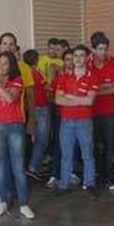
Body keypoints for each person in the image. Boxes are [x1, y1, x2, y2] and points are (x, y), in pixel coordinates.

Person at [0, 51, 35, 219]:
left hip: (15, 127)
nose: (1, 66)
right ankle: (2, 202)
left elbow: (10, 98)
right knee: (0, 167)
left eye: (5, 63)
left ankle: (23, 204)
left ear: (11, 66)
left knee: (18, 167)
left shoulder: (17, 80)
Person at [54, 45, 98, 192]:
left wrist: (70, 97)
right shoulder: (64, 76)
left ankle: (89, 183)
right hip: (66, 122)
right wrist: (80, 99)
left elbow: (90, 101)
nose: (78, 59)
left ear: (87, 58)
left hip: (84, 122)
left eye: (81, 55)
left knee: (87, 154)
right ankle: (64, 184)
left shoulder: (92, 76)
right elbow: (58, 100)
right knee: (66, 155)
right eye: (76, 55)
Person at [88, 31, 114, 190]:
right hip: (90, 112)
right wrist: (106, 86)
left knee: (110, 145)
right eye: (100, 49)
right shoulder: (86, 63)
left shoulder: (112, 62)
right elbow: (85, 89)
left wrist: (94, 90)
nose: (103, 52)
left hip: (109, 112)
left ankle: (109, 177)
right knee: (93, 145)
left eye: (105, 49)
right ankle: (96, 175)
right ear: (93, 49)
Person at [46, 48, 74, 189]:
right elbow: (52, 98)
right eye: (67, 59)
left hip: (78, 117)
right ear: (64, 62)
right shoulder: (58, 78)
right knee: (59, 144)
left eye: (72, 59)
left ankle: (72, 172)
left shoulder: (80, 77)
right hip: (60, 116)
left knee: (75, 145)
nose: (70, 62)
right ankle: (55, 174)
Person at [22, 49, 50, 180]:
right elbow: (47, 88)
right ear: (36, 60)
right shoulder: (35, 73)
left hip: (33, 110)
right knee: (42, 140)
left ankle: (34, 165)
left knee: (37, 139)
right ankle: (33, 166)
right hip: (41, 109)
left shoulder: (26, 72)